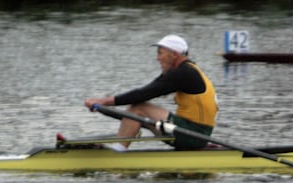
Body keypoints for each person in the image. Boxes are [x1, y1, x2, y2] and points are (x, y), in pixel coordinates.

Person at [83, 34, 217, 150]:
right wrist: (103, 107)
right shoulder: (185, 70)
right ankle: (119, 149)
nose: (157, 58)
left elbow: (144, 94)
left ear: (174, 54)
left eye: (160, 53)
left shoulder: (183, 73)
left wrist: (103, 102)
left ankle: (117, 154)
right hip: (190, 131)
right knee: (136, 108)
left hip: (194, 135)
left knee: (139, 107)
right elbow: (145, 91)